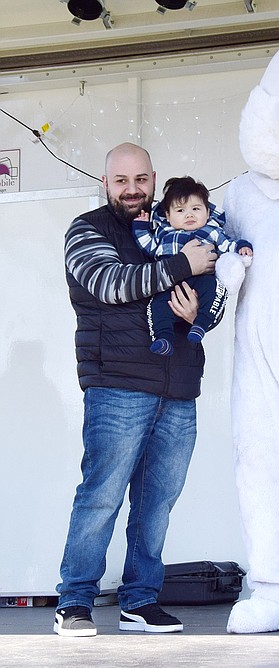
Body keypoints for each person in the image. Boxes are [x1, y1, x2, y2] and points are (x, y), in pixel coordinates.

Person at [54, 143, 218, 638]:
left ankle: (141, 600)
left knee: (158, 502)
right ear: (105, 183)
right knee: (101, 495)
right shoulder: (87, 230)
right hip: (118, 385)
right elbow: (108, 283)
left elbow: (215, 291)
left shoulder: (180, 229)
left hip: (179, 386)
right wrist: (181, 267)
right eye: (121, 180)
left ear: (153, 178)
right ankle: (75, 601)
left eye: (141, 179)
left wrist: (200, 316)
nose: (132, 189)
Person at [133, 176, 252, 355]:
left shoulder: (212, 231)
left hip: (202, 278)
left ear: (207, 212)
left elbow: (229, 245)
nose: (189, 215)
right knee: (157, 306)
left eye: (196, 208)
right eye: (180, 210)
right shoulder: (164, 234)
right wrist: (140, 228)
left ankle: (201, 324)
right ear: (168, 215)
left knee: (214, 289)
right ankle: (163, 338)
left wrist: (242, 246)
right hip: (170, 284)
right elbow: (149, 246)